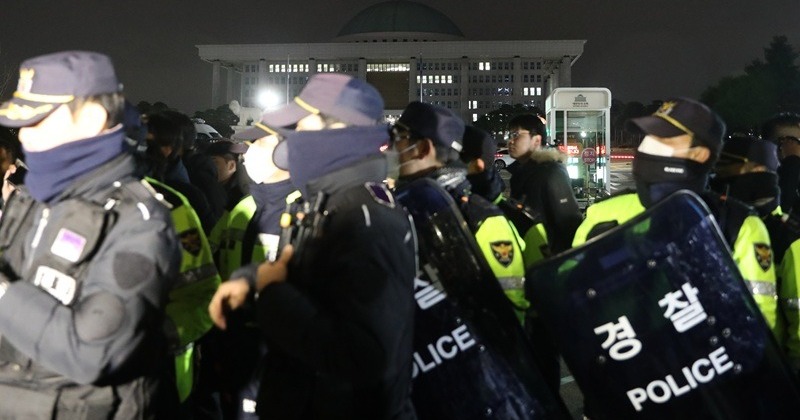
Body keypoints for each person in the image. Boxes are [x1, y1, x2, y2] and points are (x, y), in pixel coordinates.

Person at [208, 73, 417, 419]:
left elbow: (364, 355)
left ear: (339, 133)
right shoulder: (330, 203)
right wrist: (253, 280)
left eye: (302, 127)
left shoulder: (364, 219)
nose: (291, 142)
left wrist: (272, 292)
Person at [0, 50, 181, 417]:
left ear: (93, 118)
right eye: (21, 124)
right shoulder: (31, 198)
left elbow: (91, 354)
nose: (25, 138)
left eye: (38, 121)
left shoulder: (141, 221)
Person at [574, 98, 777, 331]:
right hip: (620, 355)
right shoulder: (602, 213)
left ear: (700, 154)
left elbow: (759, 325)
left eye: (664, 138)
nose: (648, 146)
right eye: (648, 137)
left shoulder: (737, 224)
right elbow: (571, 305)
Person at [393, 102, 527, 318]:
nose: (392, 147)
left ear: (423, 148)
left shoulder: (480, 216)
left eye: (399, 137)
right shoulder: (400, 205)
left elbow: (510, 311)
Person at [709, 134, 800, 373]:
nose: (719, 178)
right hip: (716, 368)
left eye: (727, 170)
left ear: (760, 170)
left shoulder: (789, 235)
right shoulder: (710, 225)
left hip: (771, 372)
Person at [506, 113, 583, 254]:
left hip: (551, 261)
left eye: (516, 135)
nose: (510, 141)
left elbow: (569, 224)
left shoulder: (552, 173)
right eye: (509, 135)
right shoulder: (519, 173)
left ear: (536, 140)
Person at [761, 112, 800, 215]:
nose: (794, 149)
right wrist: (791, 162)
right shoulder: (753, 181)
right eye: (785, 141)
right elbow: (780, 211)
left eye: (797, 143)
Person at [206, 139, 248, 213]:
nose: (209, 167)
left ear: (231, 166)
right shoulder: (209, 188)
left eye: (214, 162)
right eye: (208, 162)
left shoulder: (240, 196)